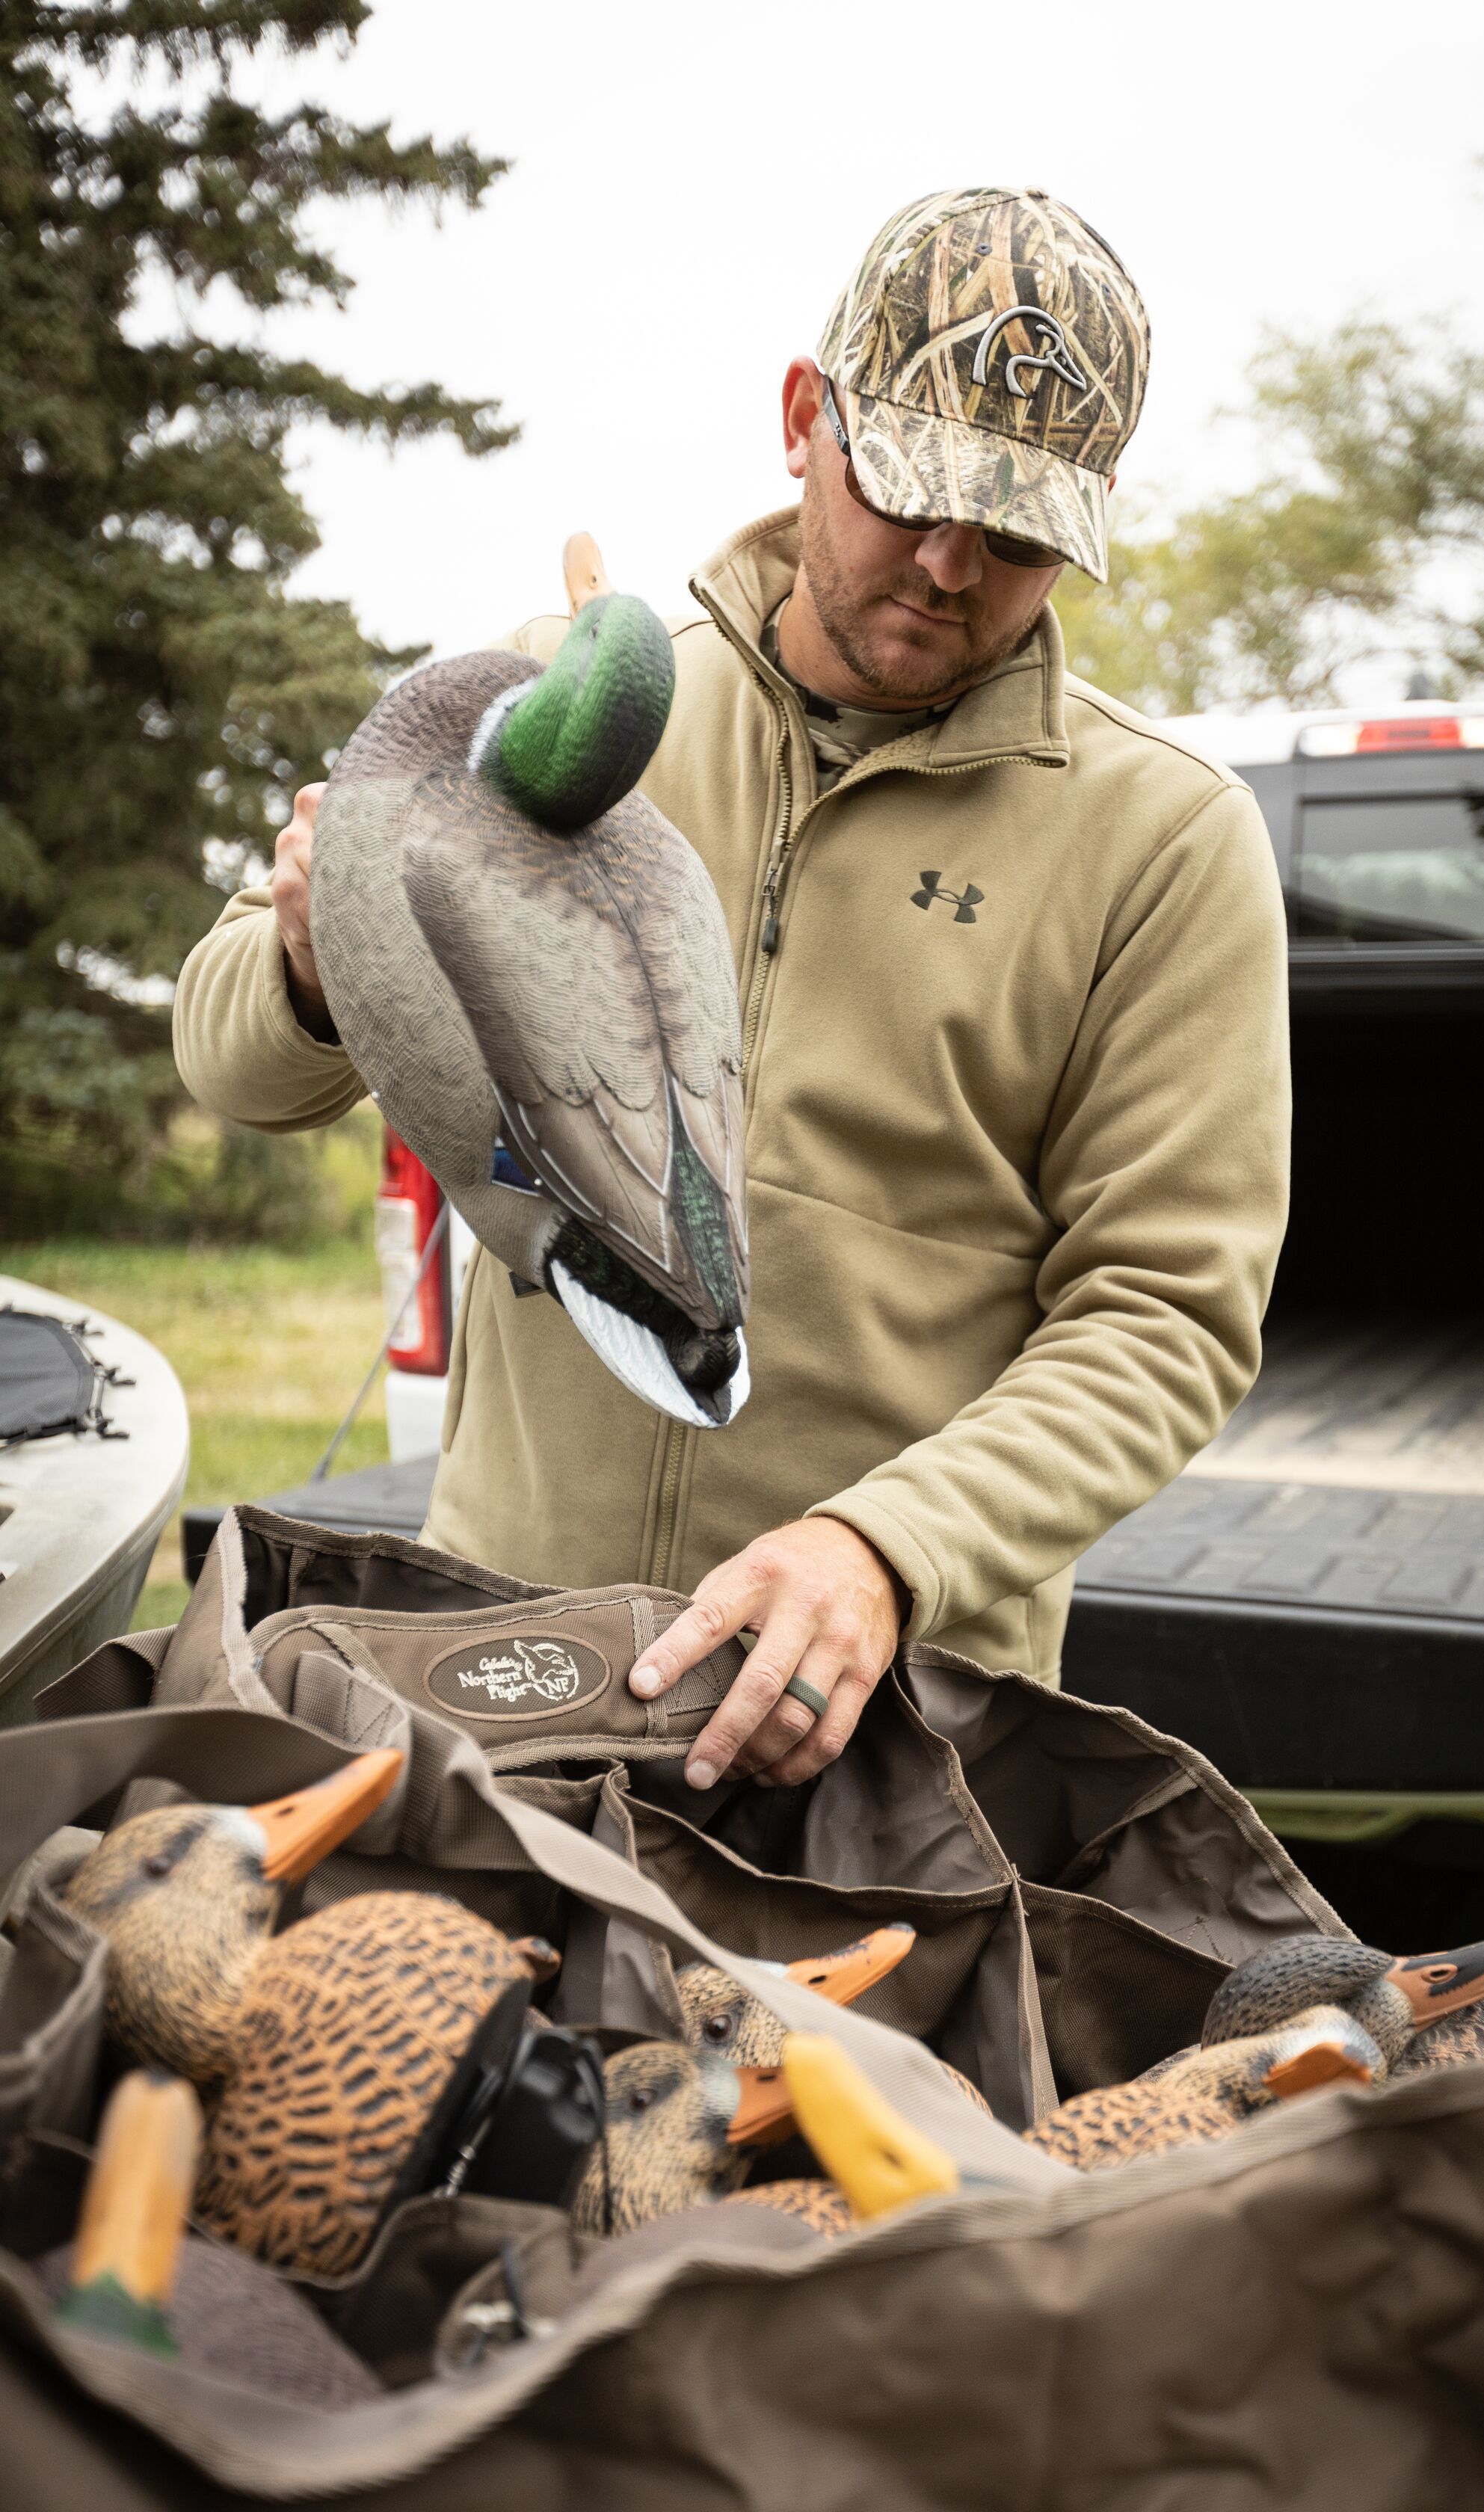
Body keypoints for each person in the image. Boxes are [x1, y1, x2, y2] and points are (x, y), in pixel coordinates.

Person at [174, 187, 1289, 1803]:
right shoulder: (550, 704)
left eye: (1020, 530)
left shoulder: (1165, 839)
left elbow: (1164, 1314)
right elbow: (235, 1066)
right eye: (904, 487)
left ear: (1096, 510)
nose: (948, 564)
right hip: (502, 1667)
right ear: (800, 418)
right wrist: (303, 957)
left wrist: (884, 1550)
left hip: (875, 1726)